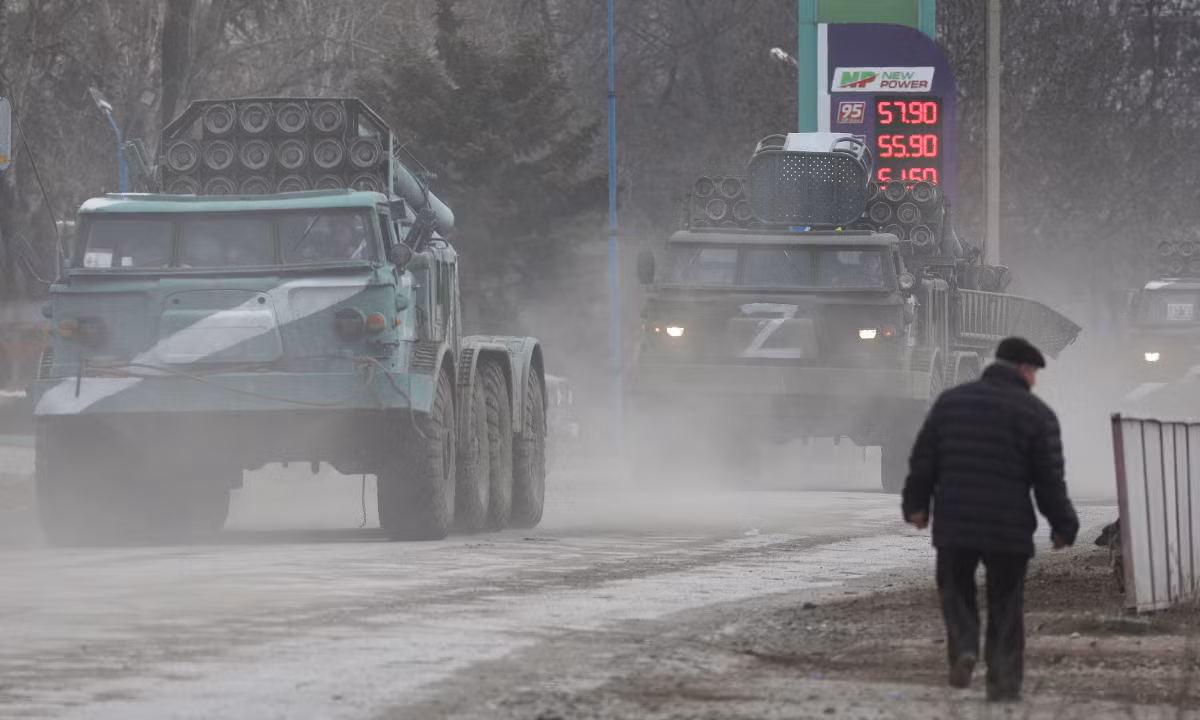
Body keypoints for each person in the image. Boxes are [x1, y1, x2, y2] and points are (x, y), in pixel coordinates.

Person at [901, 336, 1079, 703]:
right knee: (1006, 605)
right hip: (1008, 529)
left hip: (955, 524)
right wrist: (1064, 526)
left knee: (956, 592)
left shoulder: (951, 403)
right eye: (1033, 374)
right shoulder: (1037, 414)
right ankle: (1003, 684)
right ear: (1023, 370)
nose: (1034, 383)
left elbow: (924, 459)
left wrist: (917, 505)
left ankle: (965, 648)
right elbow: (1049, 480)